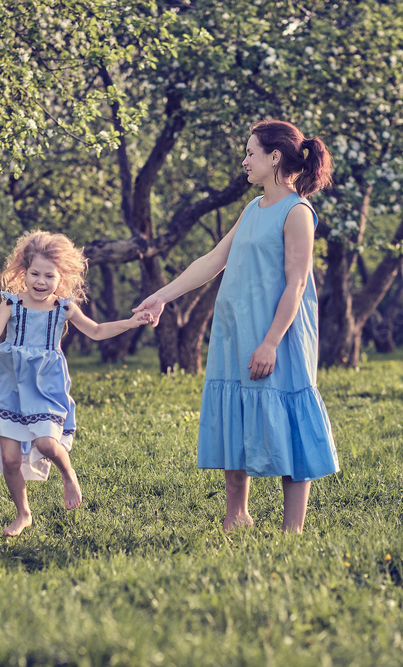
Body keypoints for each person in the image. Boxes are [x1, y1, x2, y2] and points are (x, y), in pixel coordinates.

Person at [134, 119, 339, 534]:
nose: (244, 161)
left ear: (274, 157)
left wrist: (270, 343)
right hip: (234, 333)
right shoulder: (251, 209)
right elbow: (211, 262)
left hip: (277, 336)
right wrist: (161, 296)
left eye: (250, 152)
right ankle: (236, 516)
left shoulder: (297, 211)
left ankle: (292, 529)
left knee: (289, 422)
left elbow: (297, 282)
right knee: (236, 418)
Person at [0, 230, 152, 537]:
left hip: (45, 390)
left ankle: (68, 473)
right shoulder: (12, 303)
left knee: (46, 443)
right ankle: (23, 514)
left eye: (49, 275)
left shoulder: (64, 307)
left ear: (63, 277)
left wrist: (130, 322)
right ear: (24, 271)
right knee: (9, 459)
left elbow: (97, 331)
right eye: (34, 274)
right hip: (11, 389)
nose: (41, 282)